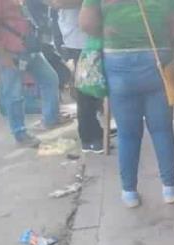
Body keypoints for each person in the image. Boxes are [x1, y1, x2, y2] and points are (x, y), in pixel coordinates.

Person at [80, 0, 174, 207]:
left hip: (117, 63)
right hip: (157, 60)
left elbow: (86, 24)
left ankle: (129, 193)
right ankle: (169, 189)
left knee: (127, 134)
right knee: (162, 130)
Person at [0, 0, 71, 147]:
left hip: (27, 47)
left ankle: (50, 118)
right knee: (14, 94)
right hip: (10, 50)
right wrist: (2, 54)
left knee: (50, 78)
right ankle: (20, 133)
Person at [48, 0, 105, 153]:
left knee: (93, 88)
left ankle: (95, 131)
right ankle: (90, 137)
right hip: (81, 39)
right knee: (88, 89)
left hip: (90, 36)